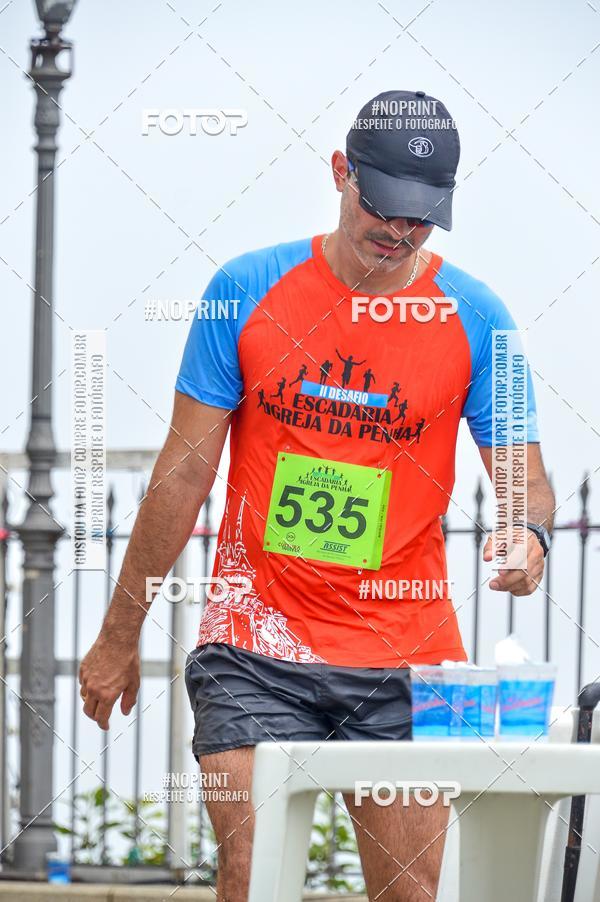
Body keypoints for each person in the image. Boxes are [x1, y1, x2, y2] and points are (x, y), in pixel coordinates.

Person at [79, 89, 555, 901]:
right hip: (253, 646)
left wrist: (529, 536)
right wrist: (118, 635)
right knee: (254, 875)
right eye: (384, 210)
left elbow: (524, 476)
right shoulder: (247, 289)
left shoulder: (477, 316)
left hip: (407, 649)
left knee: (411, 891)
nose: (399, 233)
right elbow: (184, 470)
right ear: (342, 173)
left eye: (421, 219)